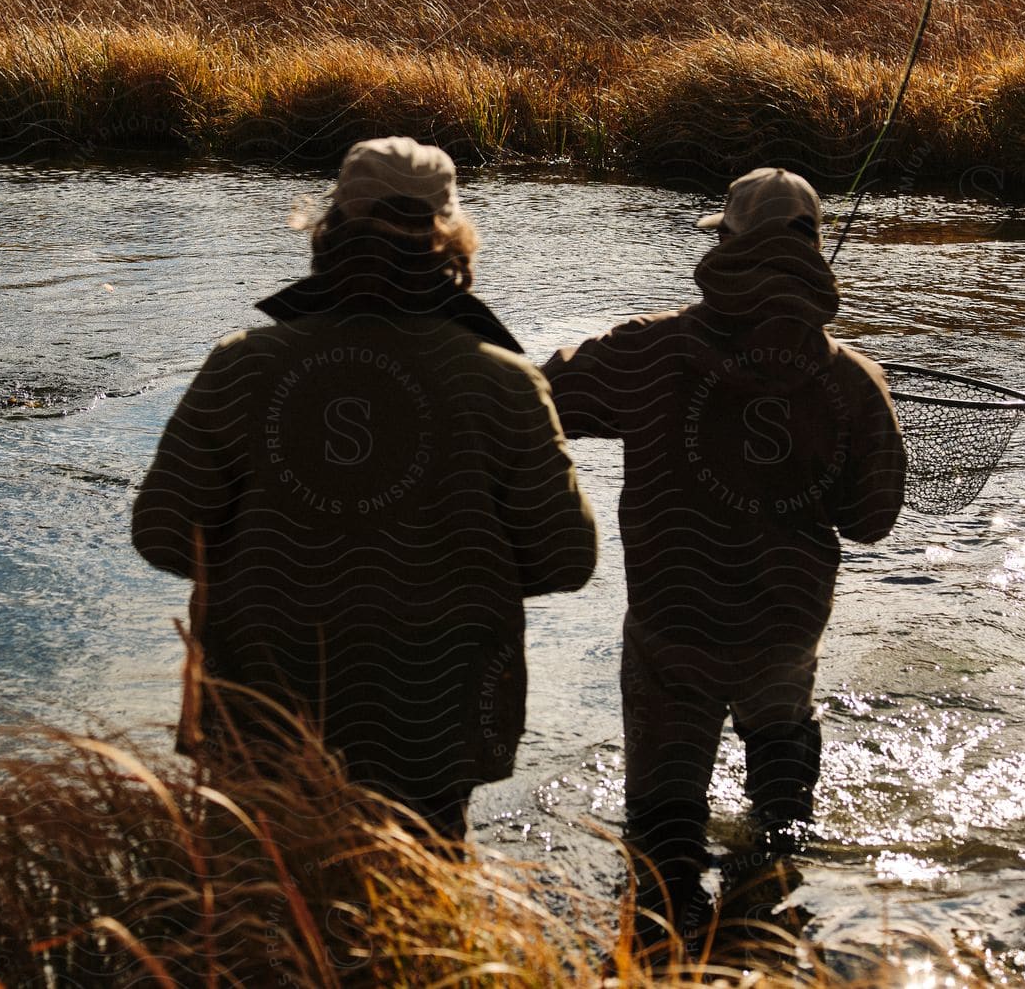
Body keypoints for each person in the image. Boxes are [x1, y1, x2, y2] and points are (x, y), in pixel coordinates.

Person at [132, 137, 598, 841]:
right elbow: (567, 558)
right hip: (434, 727)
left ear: (330, 230)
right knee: (419, 936)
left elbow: (163, 532)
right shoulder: (505, 383)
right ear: (451, 241)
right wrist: (454, 568)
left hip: (259, 719)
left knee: (255, 925)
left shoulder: (242, 365)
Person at [540, 167, 906, 934]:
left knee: (661, 843)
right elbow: (872, 520)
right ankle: (769, 933)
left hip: (674, 618)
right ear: (811, 252)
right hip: (784, 624)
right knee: (779, 814)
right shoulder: (852, 381)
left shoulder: (647, 351)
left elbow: (544, 404)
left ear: (729, 245)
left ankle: (664, 943)